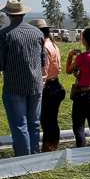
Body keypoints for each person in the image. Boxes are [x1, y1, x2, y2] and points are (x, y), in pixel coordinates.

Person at [0, 0, 45, 156]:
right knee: (34, 124)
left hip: (14, 85)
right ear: (23, 13)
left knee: (19, 126)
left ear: (7, 15)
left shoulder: (3, 35)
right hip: (35, 84)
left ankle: (23, 162)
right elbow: (43, 60)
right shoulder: (37, 32)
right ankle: (34, 158)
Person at [64, 28, 90, 146]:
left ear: (84, 41)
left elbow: (68, 70)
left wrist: (70, 56)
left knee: (79, 127)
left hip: (82, 95)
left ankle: (81, 154)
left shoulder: (82, 57)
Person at [30, 18, 65, 152]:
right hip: (56, 84)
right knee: (52, 120)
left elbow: (43, 70)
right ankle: (53, 147)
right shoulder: (53, 45)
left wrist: (40, 87)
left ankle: (47, 148)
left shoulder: (43, 47)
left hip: (47, 87)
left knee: (46, 121)